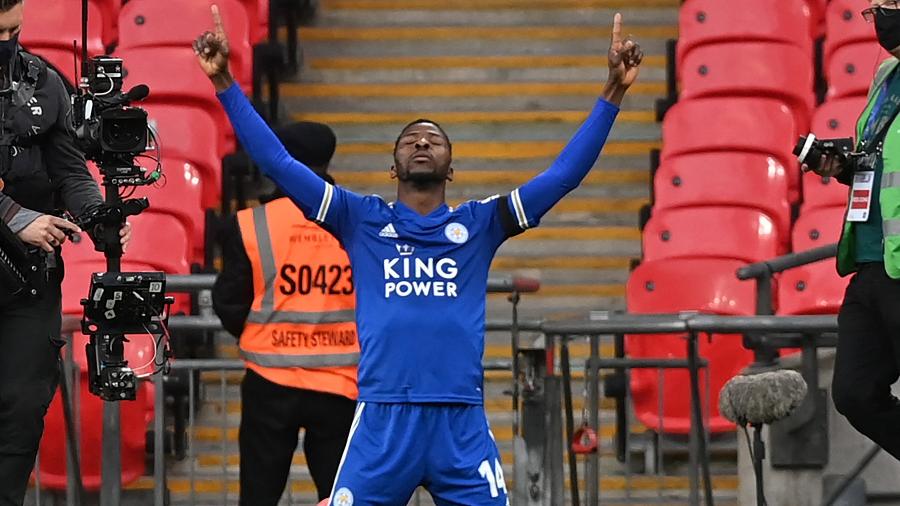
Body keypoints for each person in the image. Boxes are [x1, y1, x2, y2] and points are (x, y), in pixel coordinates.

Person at [195, 6, 642, 503]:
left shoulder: (479, 222)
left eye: (434, 139)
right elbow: (277, 160)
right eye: (411, 139)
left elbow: (562, 177)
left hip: (460, 422)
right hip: (383, 422)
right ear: (393, 168)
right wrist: (225, 84)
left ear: (451, 168)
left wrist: (613, 93)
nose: (423, 142)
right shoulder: (358, 218)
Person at [0, 1, 131, 503]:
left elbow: (70, 171)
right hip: (17, 235)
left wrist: (100, 219)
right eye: (0, 32)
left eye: (16, 28)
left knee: (23, 402)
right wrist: (15, 218)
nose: (9, 41)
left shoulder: (42, 80)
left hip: (28, 280)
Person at [212, 121, 359, 504]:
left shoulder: (249, 223)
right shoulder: (359, 219)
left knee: (260, 494)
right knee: (346, 496)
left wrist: (265, 333)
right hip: (341, 384)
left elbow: (229, 301)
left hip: (270, 381)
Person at [807, 0, 900, 461]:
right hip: (870, 259)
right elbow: (882, 160)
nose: (882, 18)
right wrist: (843, 165)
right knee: (854, 392)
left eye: (892, 6)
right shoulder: (886, 77)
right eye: (876, 8)